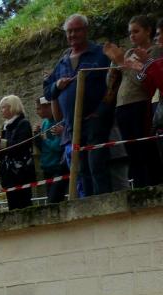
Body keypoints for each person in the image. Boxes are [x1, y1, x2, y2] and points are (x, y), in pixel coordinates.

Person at [44, 14, 112, 197]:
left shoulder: (100, 54)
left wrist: (100, 112)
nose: (72, 35)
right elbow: (48, 91)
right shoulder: (62, 62)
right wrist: (57, 86)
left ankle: (104, 205)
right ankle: (88, 206)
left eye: (77, 30)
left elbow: (114, 83)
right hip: (72, 126)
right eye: (69, 31)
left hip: (96, 121)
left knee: (96, 165)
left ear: (86, 30)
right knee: (81, 170)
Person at [107, 16, 163, 189]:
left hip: (141, 103)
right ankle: (138, 188)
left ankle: (152, 186)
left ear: (148, 31)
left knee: (145, 149)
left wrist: (121, 64)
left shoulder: (155, 51)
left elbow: (143, 81)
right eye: (130, 32)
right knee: (132, 152)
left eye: (136, 31)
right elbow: (111, 83)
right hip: (122, 106)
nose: (132, 36)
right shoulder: (128, 54)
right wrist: (114, 64)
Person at [0, 95, 36, 210]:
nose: (1, 110)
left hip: (21, 172)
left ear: (12, 107)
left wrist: (1, 143)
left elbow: (21, 145)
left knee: (24, 204)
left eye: (4, 107)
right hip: (8, 174)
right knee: (12, 206)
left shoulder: (23, 123)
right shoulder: (5, 127)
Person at [36, 97, 70, 204]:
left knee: (53, 200)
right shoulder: (45, 123)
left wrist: (44, 139)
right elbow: (42, 147)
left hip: (57, 166)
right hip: (47, 167)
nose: (37, 112)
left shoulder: (58, 122)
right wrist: (37, 137)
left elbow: (58, 146)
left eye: (39, 108)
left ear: (47, 107)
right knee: (51, 201)